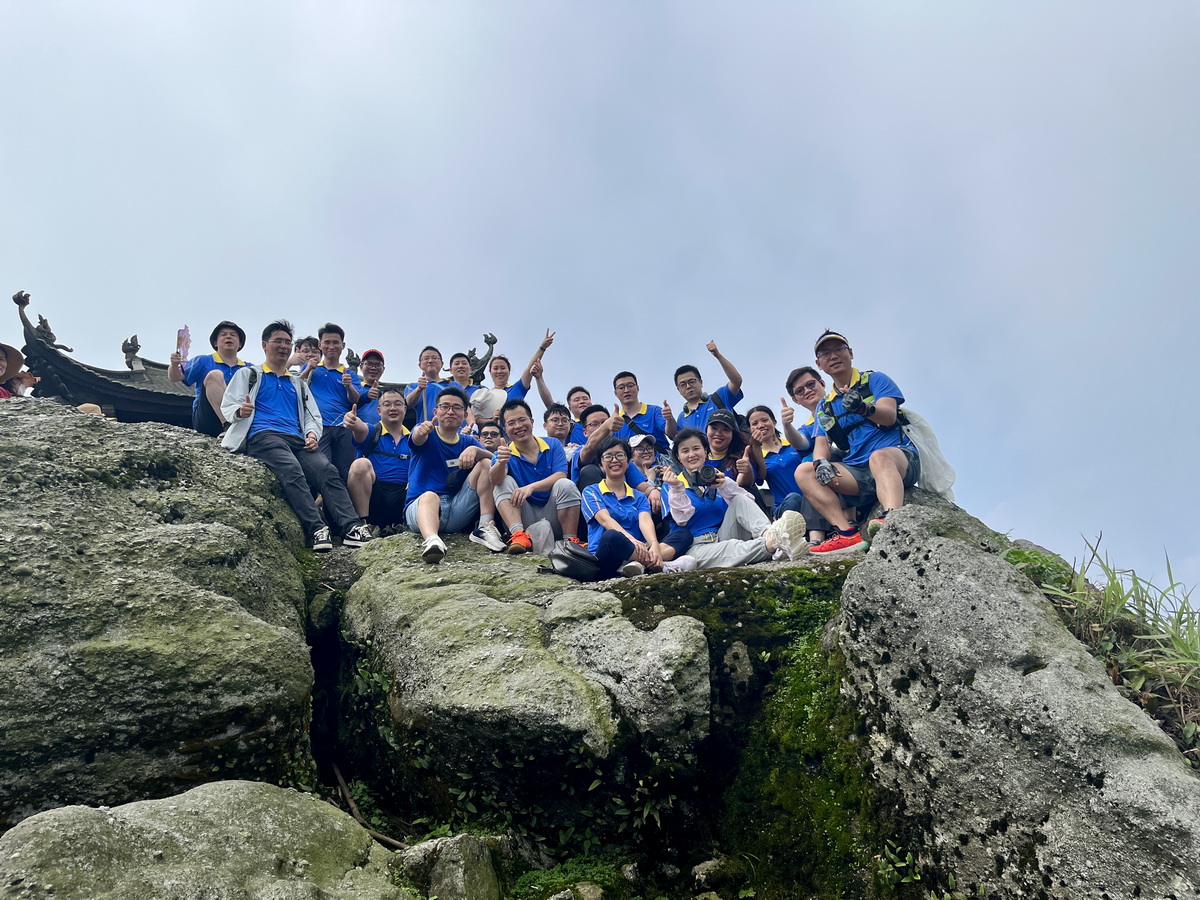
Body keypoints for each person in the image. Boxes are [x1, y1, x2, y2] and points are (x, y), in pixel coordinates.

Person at [220, 319, 373, 552]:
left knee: (328, 471)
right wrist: (240, 411)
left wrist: (311, 435)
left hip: (297, 439)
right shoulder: (249, 374)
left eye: (287, 342)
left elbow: (312, 416)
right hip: (264, 435)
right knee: (292, 470)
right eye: (278, 341)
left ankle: (351, 527)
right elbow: (229, 404)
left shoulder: (298, 384)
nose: (283, 346)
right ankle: (317, 528)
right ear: (264, 345)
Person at [794, 331, 921, 553]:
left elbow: (889, 416)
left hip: (897, 458)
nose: (833, 356)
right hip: (858, 471)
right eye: (825, 353)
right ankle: (847, 534)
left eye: (838, 349)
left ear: (850, 353)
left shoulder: (874, 380)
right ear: (819, 364)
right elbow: (822, 444)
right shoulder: (825, 406)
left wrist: (863, 408)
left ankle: (892, 521)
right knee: (804, 471)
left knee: (879, 457)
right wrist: (820, 463)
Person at [662, 429, 806, 570]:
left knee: (739, 499)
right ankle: (773, 544)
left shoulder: (716, 478)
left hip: (722, 534)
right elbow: (682, 520)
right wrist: (677, 489)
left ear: (705, 452)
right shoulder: (672, 485)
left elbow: (747, 501)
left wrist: (725, 485)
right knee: (731, 547)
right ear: (679, 457)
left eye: (696, 448)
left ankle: (770, 534)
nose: (692, 454)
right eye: (685, 451)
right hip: (695, 546)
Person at [580, 438, 698, 579]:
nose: (614, 460)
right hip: (608, 557)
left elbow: (645, 521)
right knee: (612, 536)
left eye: (620, 455)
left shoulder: (639, 496)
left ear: (628, 462)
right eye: (608, 456)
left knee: (683, 535)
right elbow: (605, 520)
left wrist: (654, 544)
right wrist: (631, 540)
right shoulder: (591, 491)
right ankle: (660, 565)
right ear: (600, 465)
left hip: (638, 550)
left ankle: (639, 563)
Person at [404, 386, 494, 563]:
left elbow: (495, 461)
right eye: (445, 406)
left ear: (464, 414)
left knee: (485, 463)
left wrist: (476, 450)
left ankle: (485, 527)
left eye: (456, 407)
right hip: (422, 509)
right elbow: (417, 438)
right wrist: (420, 432)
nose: (450, 412)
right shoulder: (427, 432)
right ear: (435, 411)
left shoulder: (467, 441)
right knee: (430, 496)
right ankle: (432, 540)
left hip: (455, 509)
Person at [484, 399, 583, 554]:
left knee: (566, 484)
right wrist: (502, 462)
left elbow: (560, 474)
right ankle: (518, 536)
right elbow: (494, 480)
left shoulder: (553, 444)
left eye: (522, 419)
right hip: (523, 516)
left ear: (531, 421)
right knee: (503, 481)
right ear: (505, 429)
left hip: (553, 513)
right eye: (511, 423)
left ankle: (570, 541)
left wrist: (531, 487)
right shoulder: (503, 452)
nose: (518, 426)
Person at [343, 390, 410, 532]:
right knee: (360, 464)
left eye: (398, 404)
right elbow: (360, 428)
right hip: (374, 496)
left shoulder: (413, 438)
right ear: (379, 411)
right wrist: (353, 421)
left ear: (405, 409)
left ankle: (404, 523)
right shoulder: (372, 432)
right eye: (387, 404)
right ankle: (363, 524)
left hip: (403, 497)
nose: (393, 408)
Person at [168, 321, 248, 437]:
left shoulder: (248, 368)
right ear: (215, 343)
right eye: (223, 334)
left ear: (240, 344)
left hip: (239, 415)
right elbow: (175, 377)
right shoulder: (203, 361)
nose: (228, 337)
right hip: (208, 418)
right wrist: (174, 365)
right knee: (215, 375)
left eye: (233, 335)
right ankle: (228, 425)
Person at [308, 323, 363, 482]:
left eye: (335, 342)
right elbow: (297, 387)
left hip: (343, 427)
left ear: (343, 345)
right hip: (318, 426)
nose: (331, 346)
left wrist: (349, 386)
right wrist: (306, 369)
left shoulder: (349, 374)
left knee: (346, 472)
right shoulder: (312, 369)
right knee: (322, 468)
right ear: (320, 345)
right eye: (327, 342)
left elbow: (355, 400)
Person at [668, 341, 745, 438]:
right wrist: (669, 419)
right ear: (678, 390)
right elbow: (674, 436)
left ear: (701, 382)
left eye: (691, 381)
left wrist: (718, 355)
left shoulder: (719, 397)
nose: (688, 386)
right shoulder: (682, 418)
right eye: (683, 384)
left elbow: (736, 381)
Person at [488, 329, 555, 402]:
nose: (499, 371)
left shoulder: (518, 388)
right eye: (495, 368)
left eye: (503, 368)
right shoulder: (485, 395)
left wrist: (542, 348)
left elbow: (529, 368)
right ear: (490, 371)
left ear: (509, 371)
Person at [612, 371, 669, 447]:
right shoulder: (616, 422)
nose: (626, 390)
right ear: (615, 393)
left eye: (630, 386)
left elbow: (672, 434)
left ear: (637, 388)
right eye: (621, 388)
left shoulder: (654, 411)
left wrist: (669, 419)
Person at [405, 346, 447, 425]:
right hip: (426, 429)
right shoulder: (412, 386)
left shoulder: (453, 385)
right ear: (420, 365)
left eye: (434, 358)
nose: (430, 361)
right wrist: (419, 389)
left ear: (442, 364)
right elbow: (408, 403)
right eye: (426, 358)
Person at [705, 409, 749, 481]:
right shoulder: (697, 458)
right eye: (714, 428)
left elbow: (747, 482)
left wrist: (746, 471)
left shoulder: (742, 458)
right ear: (706, 430)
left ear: (733, 434)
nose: (718, 433)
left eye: (725, 429)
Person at [356, 349, 387, 426]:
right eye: (369, 364)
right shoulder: (354, 388)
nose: (373, 368)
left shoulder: (386, 392)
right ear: (361, 366)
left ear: (383, 369)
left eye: (378, 365)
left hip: (384, 432)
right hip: (359, 431)